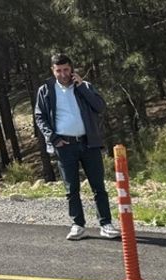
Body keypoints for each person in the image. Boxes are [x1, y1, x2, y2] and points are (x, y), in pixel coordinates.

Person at [34, 53, 120, 241]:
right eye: (59, 70)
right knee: (71, 188)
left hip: (89, 143)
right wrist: (54, 138)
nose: (63, 74)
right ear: (53, 70)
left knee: (98, 186)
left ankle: (105, 224)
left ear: (71, 69)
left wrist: (82, 87)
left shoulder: (85, 86)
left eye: (66, 70)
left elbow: (99, 107)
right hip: (64, 146)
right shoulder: (46, 90)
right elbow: (39, 117)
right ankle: (78, 225)